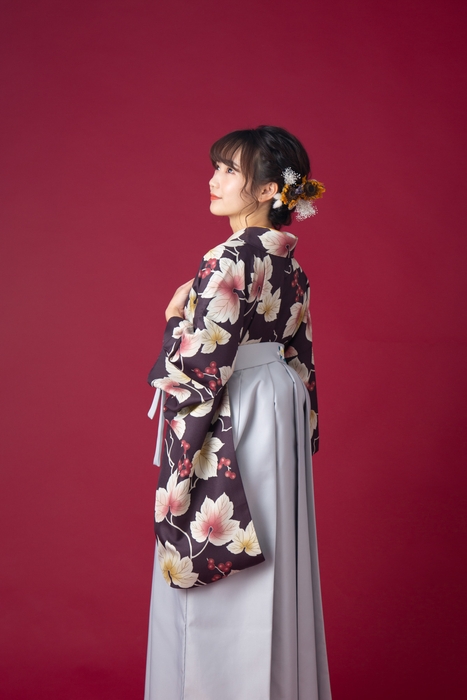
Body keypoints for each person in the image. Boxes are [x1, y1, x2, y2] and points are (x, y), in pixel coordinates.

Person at [144, 125, 332, 700]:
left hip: (235, 405)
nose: (215, 179)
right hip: (278, 401)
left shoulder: (228, 256)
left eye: (229, 169)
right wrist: (303, 425)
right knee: (277, 553)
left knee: (214, 549)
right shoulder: (291, 265)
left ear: (268, 189)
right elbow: (300, 354)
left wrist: (174, 317)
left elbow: (200, 364)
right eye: (217, 167)